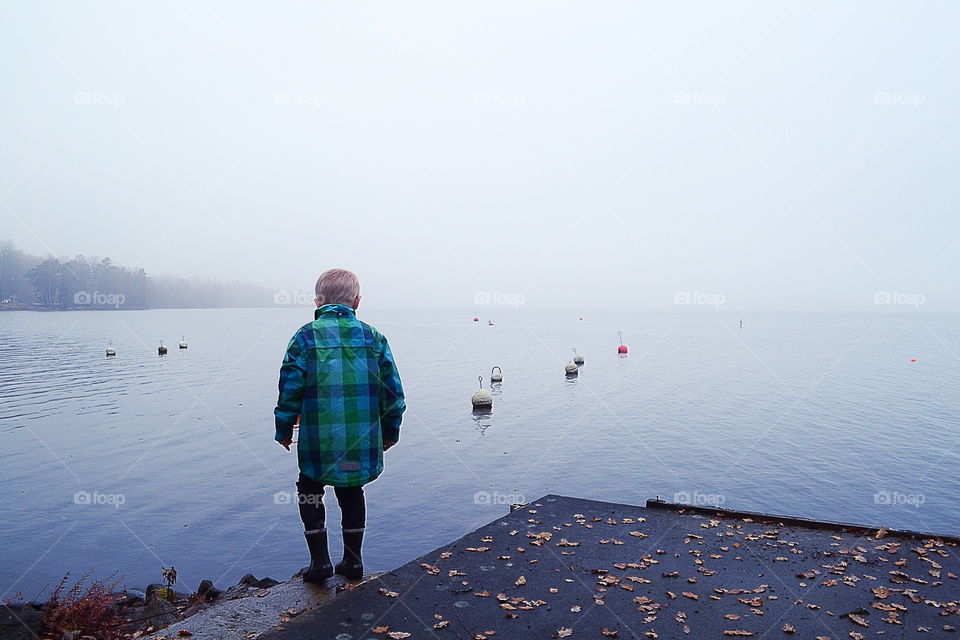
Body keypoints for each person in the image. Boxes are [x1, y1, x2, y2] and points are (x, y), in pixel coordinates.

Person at [274, 269, 405, 583]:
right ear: (357, 301)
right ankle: (353, 562)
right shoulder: (373, 337)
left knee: (309, 489)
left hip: (318, 442)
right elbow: (393, 395)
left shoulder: (305, 336)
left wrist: (283, 429)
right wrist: (390, 432)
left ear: (318, 300)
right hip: (358, 442)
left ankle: (319, 562)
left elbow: (289, 388)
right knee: (351, 490)